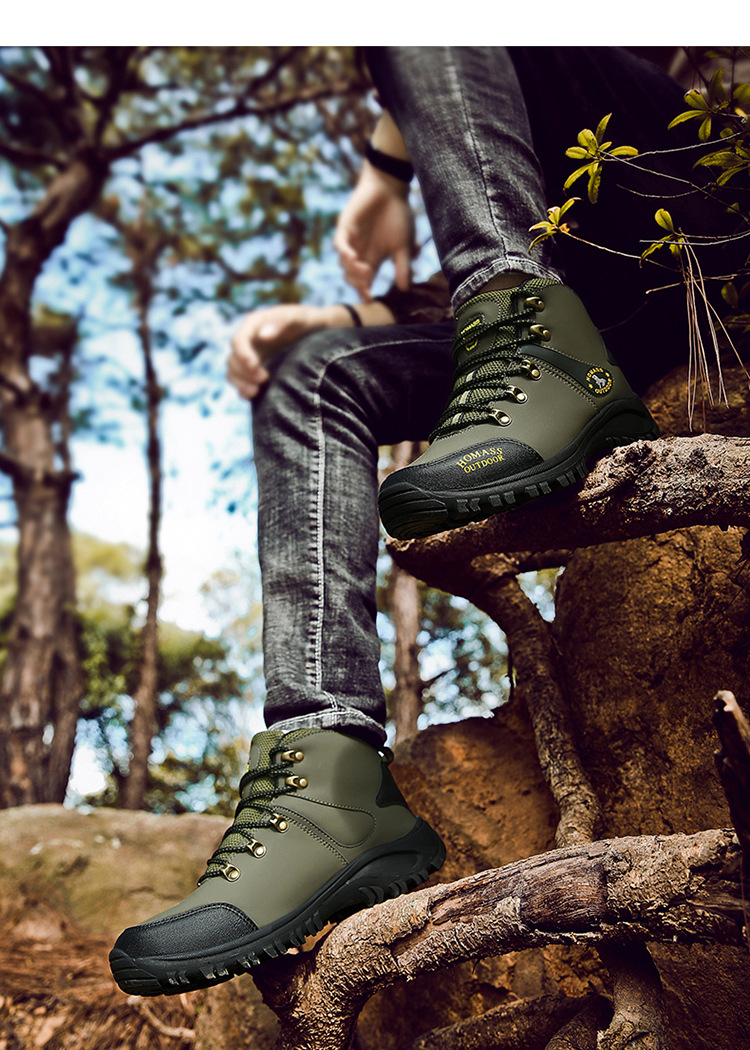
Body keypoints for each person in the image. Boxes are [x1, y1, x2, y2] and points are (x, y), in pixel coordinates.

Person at [109, 48, 742, 997]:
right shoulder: (458, 98)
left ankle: (523, 331)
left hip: (691, 226)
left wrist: (381, 168)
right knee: (313, 377)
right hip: (588, 306)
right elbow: (486, 192)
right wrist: (340, 312)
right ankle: (325, 785)